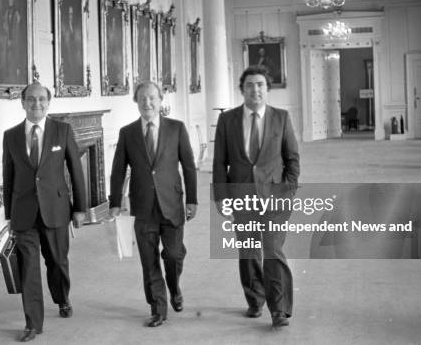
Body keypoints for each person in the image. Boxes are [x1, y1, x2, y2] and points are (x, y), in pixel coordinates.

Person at [212, 66, 300, 329]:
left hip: (274, 196)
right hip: (242, 197)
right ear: (242, 89)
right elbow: (219, 162)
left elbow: (292, 158)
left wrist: (288, 189)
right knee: (249, 251)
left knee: (272, 251)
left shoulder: (281, 118)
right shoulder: (227, 120)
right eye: (250, 85)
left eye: (260, 84)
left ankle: (280, 309)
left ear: (267, 88)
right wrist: (221, 196)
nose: (255, 89)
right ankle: (255, 298)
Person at [2, 82, 87, 342]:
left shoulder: (62, 131)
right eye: (31, 99)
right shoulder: (11, 135)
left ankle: (62, 299)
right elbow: (9, 175)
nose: (36, 104)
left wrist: (80, 208)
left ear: (48, 103)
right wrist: (9, 214)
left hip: (56, 209)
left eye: (41, 99)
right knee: (28, 268)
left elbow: (76, 170)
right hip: (24, 213)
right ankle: (32, 324)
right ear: (23, 102)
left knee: (57, 262)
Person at [109, 81, 198, 328]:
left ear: (161, 101)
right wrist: (115, 202)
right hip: (143, 206)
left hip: (172, 203)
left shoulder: (176, 128)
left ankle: (175, 287)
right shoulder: (127, 133)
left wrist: (192, 199)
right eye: (142, 99)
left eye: (152, 98)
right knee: (149, 261)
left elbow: (189, 166)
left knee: (173, 255)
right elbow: (118, 170)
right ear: (136, 102)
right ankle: (158, 308)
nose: (147, 103)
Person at [0, 0, 23, 83]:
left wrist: (11, 41)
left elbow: (18, 36)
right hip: (5, 50)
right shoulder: (5, 13)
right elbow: (3, 30)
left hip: (15, 50)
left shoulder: (17, 14)